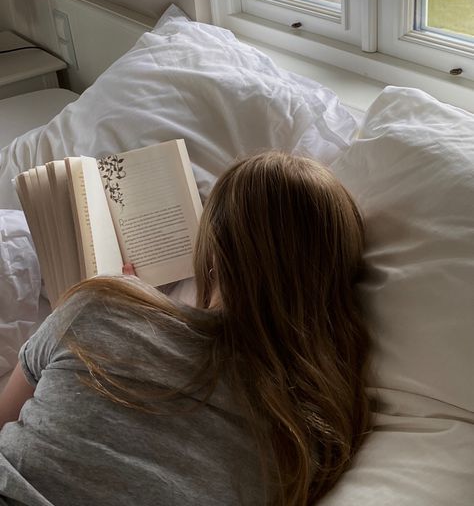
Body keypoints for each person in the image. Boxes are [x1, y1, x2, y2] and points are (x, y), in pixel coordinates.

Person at [0, 151, 371, 506]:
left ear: (214, 250)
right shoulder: (317, 427)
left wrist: (118, 298)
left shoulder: (98, 307)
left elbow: (4, 416)